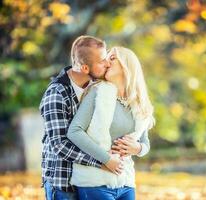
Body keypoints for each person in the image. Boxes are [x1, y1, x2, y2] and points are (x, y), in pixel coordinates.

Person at [39, 35, 123, 199]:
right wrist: (102, 161)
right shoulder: (56, 94)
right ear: (85, 68)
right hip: (64, 183)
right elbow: (60, 145)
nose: (107, 64)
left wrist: (136, 145)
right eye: (101, 61)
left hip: (90, 182)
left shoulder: (97, 88)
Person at [66, 46, 155, 200]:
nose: (106, 62)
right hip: (95, 181)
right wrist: (107, 159)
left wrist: (138, 148)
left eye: (112, 58)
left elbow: (144, 143)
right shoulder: (98, 92)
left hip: (125, 181)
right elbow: (75, 131)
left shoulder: (139, 104)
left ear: (127, 65)